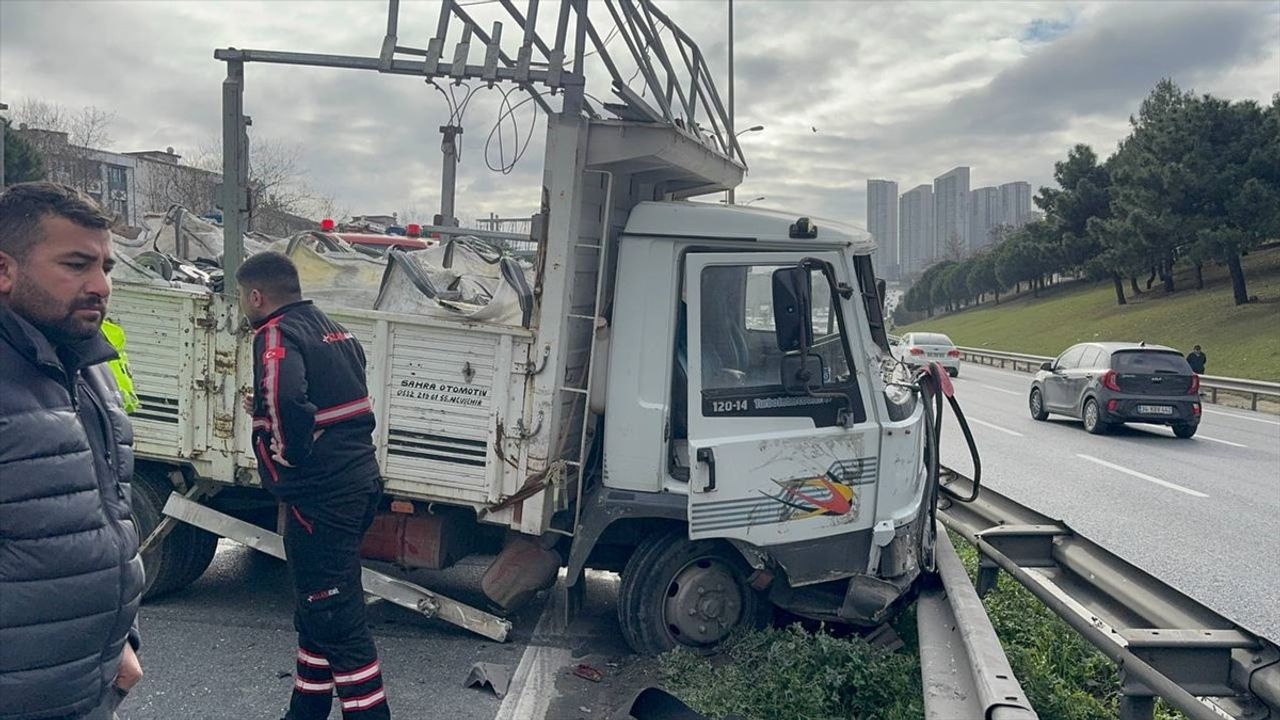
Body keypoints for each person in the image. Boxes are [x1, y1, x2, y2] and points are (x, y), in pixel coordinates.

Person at [0, 182, 144, 719]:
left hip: (85, 687)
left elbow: (107, 516)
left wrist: (123, 639)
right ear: (5, 270)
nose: (101, 285)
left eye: (106, 266)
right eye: (77, 264)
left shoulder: (87, 367)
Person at [236, 251, 390, 719]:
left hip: (320, 495)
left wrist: (284, 454)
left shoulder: (275, 333)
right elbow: (335, 399)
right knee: (315, 608)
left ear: (257, 296)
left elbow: (286, 401)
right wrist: (268, 412)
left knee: (333, 614)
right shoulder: (333, 328)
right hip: (357, 480)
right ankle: (304, 712)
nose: (243, 305)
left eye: (243, 297)